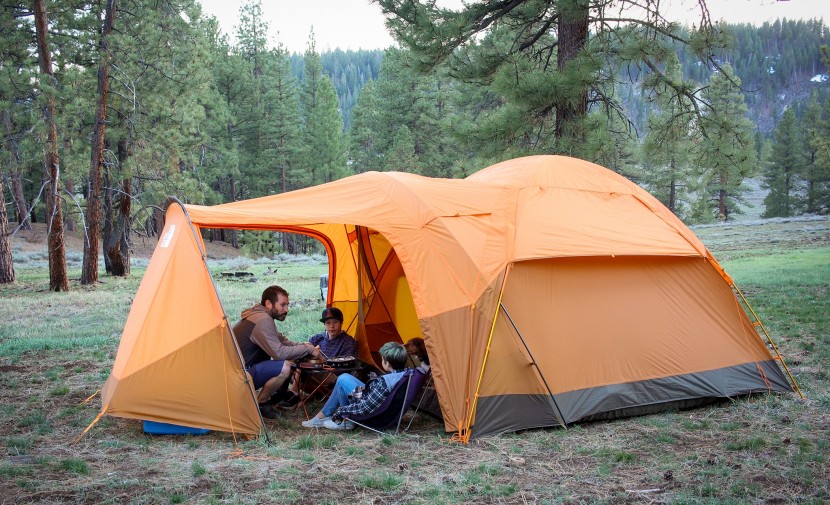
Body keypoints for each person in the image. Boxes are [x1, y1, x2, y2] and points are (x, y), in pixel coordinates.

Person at [233, 285, 320, 419]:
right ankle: (261, 404)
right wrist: (308, 349)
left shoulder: (260, 315)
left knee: (290, 358)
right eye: (283, 305)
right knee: (284, 366)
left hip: (241, 371)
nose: (286, 309)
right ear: (268, 303)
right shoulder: (263, 320)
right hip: (239, 376)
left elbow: (282, 341)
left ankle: (276, 398)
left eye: (287, 305)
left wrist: (304, 345)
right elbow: (279, 353)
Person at [301, 342, 408, 430]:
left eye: (382, 359)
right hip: (379, 402)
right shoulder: (406, 375)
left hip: (375, 413)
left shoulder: (386, 382)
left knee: (342, 379)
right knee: (344, 378)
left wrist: (342, 411)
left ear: (387, 363)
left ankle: (344, 420)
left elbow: (366, 407)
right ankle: (324, 416)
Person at [278, 307, 357, 408]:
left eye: (335, 322)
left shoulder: (348, 342)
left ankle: (294, 393)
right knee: (292, 358)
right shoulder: (317, 338)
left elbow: (347, 365)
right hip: (308, 374)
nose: (332, 326)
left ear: (341, 323)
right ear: (324, 324)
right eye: (328, 323)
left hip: (331, 375)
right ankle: (280, 395)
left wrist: (321, 360)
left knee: (303, 359)